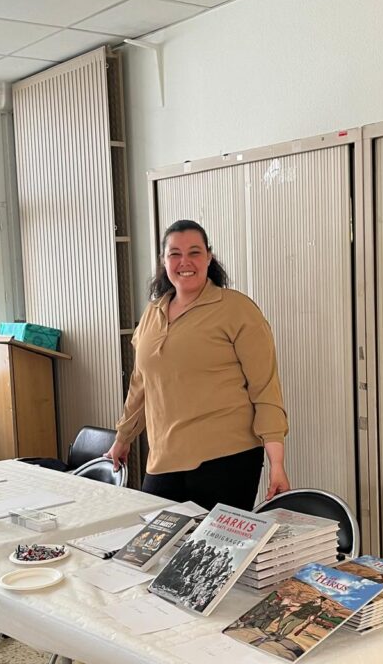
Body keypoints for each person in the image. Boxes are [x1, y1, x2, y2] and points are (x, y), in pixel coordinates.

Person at [108, 219, 290, 512]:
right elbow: (141, 385)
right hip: (163, 459)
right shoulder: (152, 314)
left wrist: (276, 463)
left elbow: (265, 389)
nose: (185, 262)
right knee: (156, 537)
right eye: (175, 254)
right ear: (164, 261)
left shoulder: (237, 309)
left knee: (215, 542)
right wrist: (123, 439)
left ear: (209, 257)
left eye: (194, 252)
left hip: (228, 458)